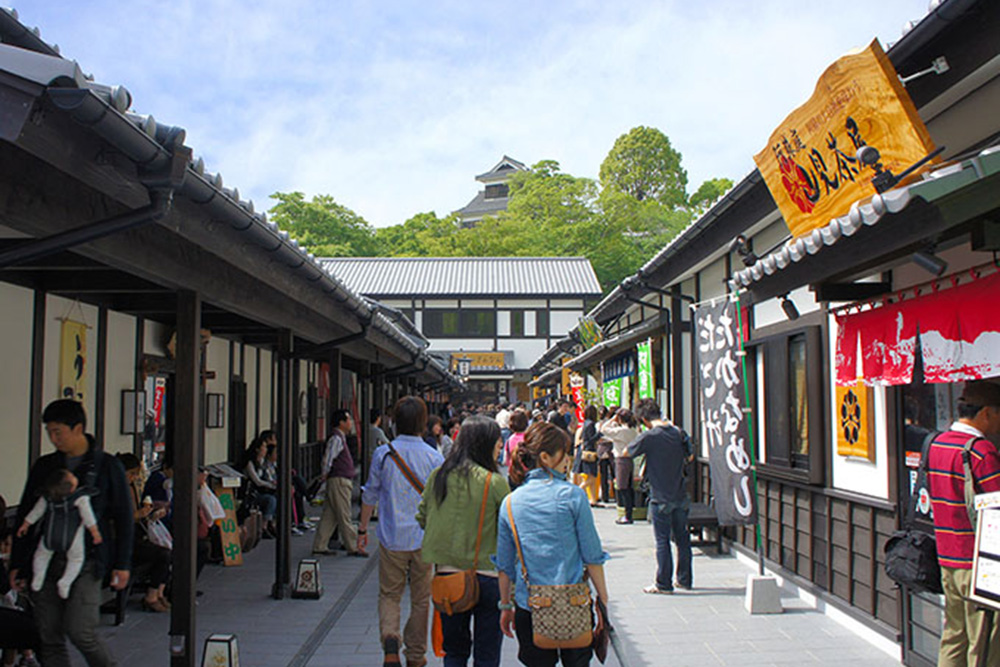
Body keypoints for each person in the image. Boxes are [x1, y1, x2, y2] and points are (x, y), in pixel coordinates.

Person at [10, 399, 133, 667]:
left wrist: (123, 564)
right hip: (45, 556)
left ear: (77, 428)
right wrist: (18, 564)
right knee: (49, 636)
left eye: (58, 432)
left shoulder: (107, 466)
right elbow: (26, 514)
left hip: (86, 560)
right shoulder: (45, 466)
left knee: (81, 631)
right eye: (49, 432)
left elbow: (124, 518)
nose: (53, 439)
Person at [496, 421, 610, 667]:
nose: (568, 459)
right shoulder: (573, 496)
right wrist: (603, 600)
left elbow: (504, 565)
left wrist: (505, 605)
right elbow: (592, 556)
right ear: (546, 457)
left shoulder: (510, 503)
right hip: (574, 602)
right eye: (564, 453)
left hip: (531, 605)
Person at [417, 416, 511, 667]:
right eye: (496, 442)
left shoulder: (438, 476)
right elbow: (511, 526)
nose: (499, 447)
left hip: (449, 577)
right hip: (488, 577)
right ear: (484, 444)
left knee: (455, 652)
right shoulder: (494, 482)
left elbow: (422, 517)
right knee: (487, 654)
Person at [358, 396, 444, 667]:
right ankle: (416, 655)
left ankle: (390, 638)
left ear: (394, 422)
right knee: (420, 599)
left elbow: (370, 495)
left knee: (390, 594)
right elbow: (441, 501)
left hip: (392, 536)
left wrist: (362, 529)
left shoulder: (383, 454)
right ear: (423, 423)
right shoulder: (434, 457)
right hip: (424, 539)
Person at [927, 381, 1000, 666]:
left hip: (948, 557)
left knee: (954, 636)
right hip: (978, 563)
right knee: (982, 642)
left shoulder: (937, 443)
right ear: (985, 413)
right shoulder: (981, 451)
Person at [628, 398, 693, 594]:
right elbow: (689, 456)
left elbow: (628, 451)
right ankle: (685, 579)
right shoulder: (678, 432)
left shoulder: (650, 436)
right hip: (680, 494)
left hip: (660, 495)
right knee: (683, 538)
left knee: (662, 540)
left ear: (644, 420)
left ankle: (664, 583)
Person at [18, 469, 103, 599]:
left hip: (50, 535)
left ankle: (38, 579)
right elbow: (88, 517)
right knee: (76, 559)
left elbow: (36, 512)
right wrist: (95, 532)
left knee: (41, 556)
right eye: (73, 476)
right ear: (72, 486)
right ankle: (65, 582)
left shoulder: (47, 498)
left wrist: (25, 524)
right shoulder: (80, 498)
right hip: (72, 537)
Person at [117, 453, 173, 612]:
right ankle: (151, 595)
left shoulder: (130, 487)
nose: (134, 478)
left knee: (169, 550)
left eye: (136, 474)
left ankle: (159, 592)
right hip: (123, 542)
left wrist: (150, 514)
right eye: (132, 474)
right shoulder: (116, 490)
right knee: (163, 554)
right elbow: (118, 518)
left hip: (135, 536)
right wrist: (138, 515)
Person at [313, 410, 365, 557]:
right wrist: (325, 474)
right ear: (341, 422)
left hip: (338, 479)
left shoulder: (340, 438)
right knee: (344, 514)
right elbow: (328, 459)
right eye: (348, 420)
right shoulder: (336, 439)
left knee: (330, 515)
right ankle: (353, 546)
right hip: (339, 480)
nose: (351, 423)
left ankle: (320, 544)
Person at [600, 408, 640, 524]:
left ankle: (627, 515)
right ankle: (629, 513)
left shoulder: (622, 431)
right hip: (629, 460)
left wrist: (612, 419)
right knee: (628, 486)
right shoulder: (632, 430)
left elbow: (603, 429)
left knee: (622, 487)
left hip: (621, 459)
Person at [243, 436, 278, 537]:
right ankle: (264, 526)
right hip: (252, 494)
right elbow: (257, 481)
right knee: (270, 500)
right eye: (264, 447)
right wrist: (271, 485)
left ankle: (272, 522)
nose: (266, 449)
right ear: (257, 449)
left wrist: (273, 483)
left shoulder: (263, 462)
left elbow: (269, 475)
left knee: (277, 497)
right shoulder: (250, 463)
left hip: (263, 490)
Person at [573, 405, 601, 506]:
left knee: (591, 476)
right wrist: (599, 434)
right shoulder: (591, 424)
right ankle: (577, 491)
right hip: (590, 452)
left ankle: (593, 499)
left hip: (584, 451)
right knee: (592, 476)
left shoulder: (585, 423)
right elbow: (590, 439)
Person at [503, 410, 529, 490]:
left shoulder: (509, 440)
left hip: (514, 474)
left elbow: (505, 461)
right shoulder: (529, 438)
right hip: (528, 473)